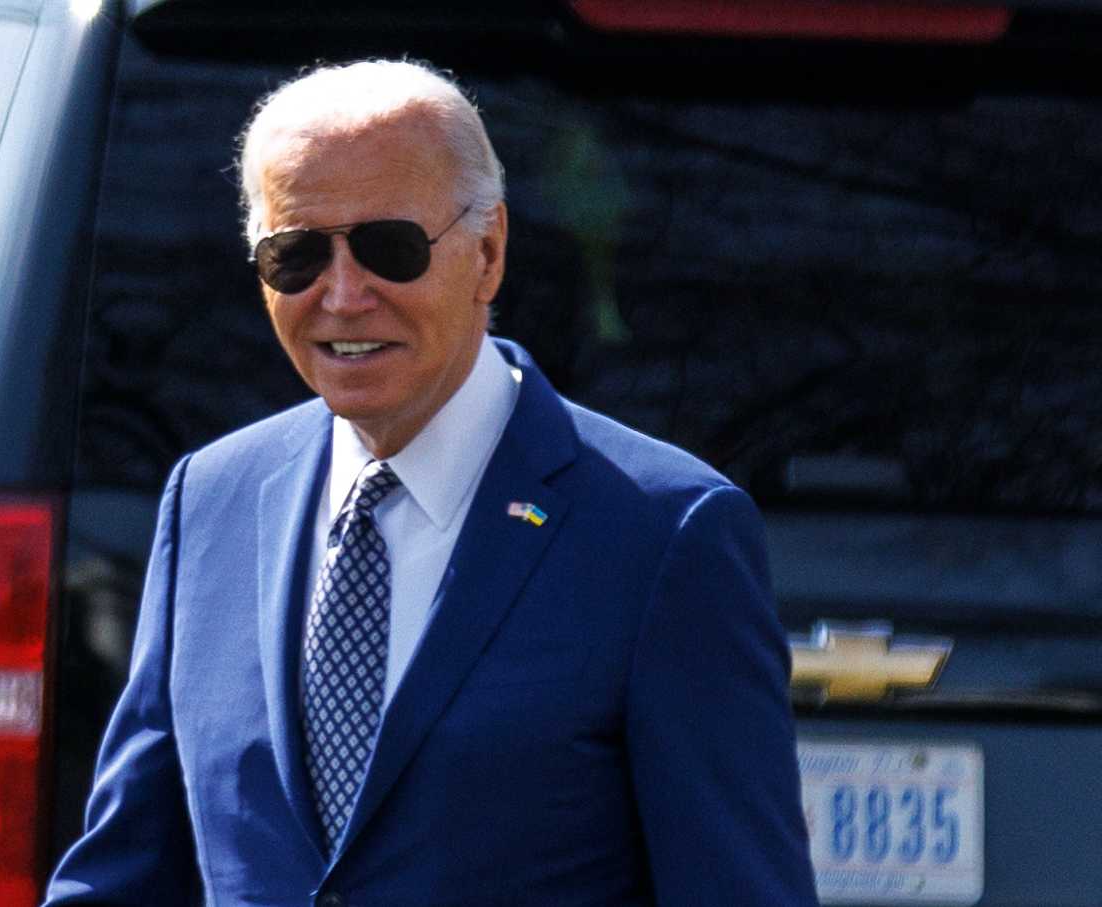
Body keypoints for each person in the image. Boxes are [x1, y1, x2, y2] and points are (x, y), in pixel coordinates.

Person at [45, 59, 818, 906]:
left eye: (391, 248)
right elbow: (125, 870)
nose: (343, 295)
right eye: (296, 254)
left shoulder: (664, 533)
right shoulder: (212, 500)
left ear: (488, 253)